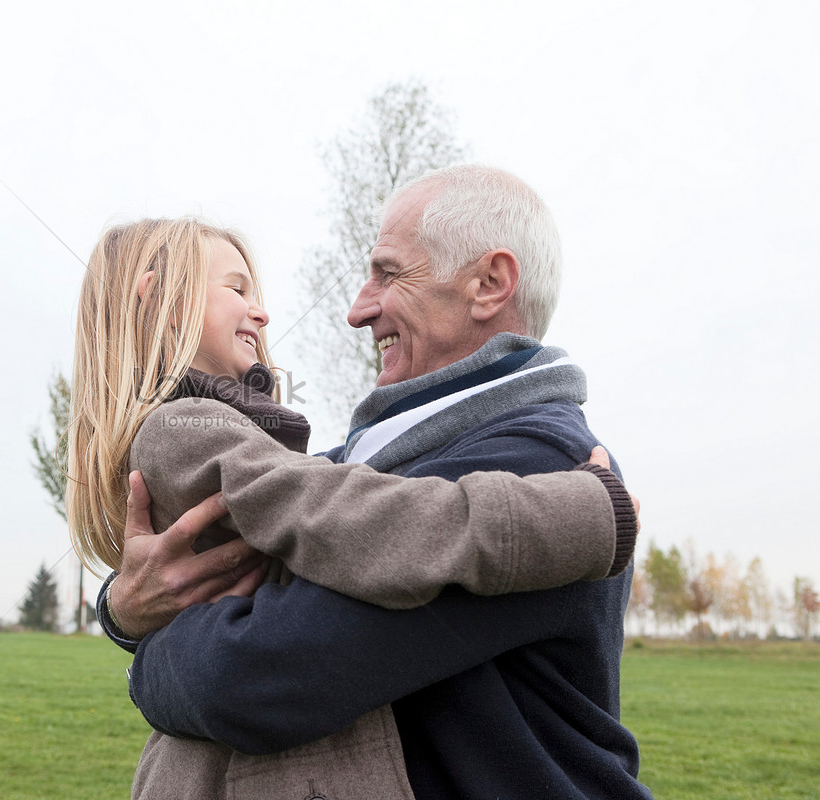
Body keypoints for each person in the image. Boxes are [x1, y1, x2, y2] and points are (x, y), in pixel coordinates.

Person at [109, 166, 653, 799]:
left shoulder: (542, 462)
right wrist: (124, 609)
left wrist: (145, 656)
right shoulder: (373, 460)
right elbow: (252, 539)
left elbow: (256, 676)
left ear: (489, 285)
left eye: (388, 273)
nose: (356, 310)